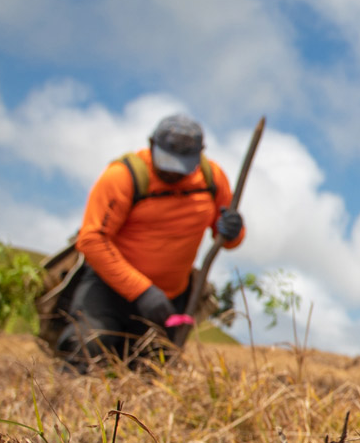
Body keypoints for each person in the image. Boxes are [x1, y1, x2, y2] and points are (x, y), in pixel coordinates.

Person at [61, 114, 245, 367]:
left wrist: (234, 232)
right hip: (109, 290)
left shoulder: (212, 179)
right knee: (89, 349)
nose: (172, 172)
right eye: (167, 162)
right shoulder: (122, 176)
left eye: (181, 165)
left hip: (170, 300)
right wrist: (142, 290)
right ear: (151, 144)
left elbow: (227, 239)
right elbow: (92, 240)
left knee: (152, 370)